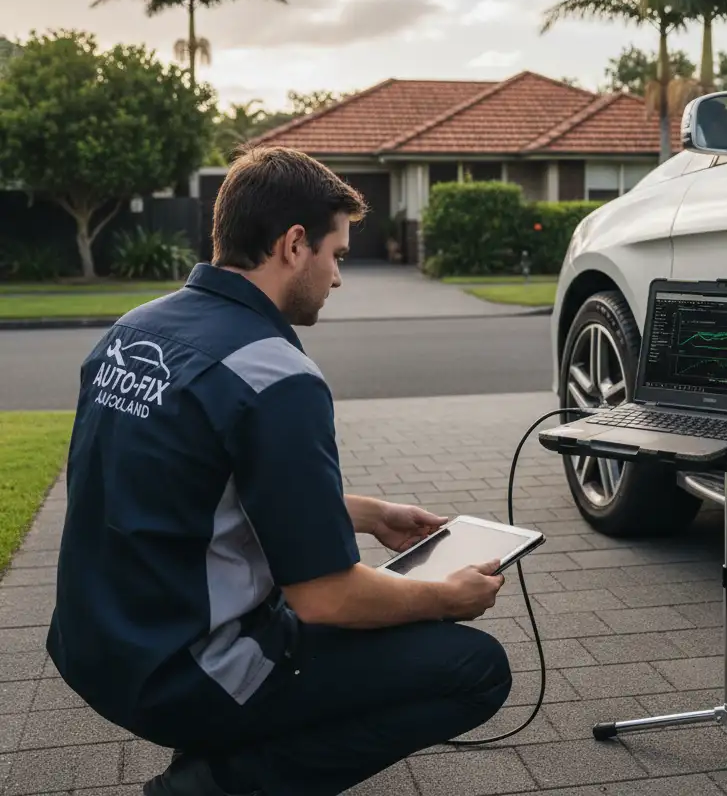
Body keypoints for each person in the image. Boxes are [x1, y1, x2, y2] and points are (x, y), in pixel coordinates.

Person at [47, 144, 512, 796]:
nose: (339, 278)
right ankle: (212, 785)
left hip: (94, 646)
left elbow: (191, 479)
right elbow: (326, 597)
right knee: (476, 667)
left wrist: (370, 514)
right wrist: (447, 597)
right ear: (295, 244)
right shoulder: (274, 373)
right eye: (338, 255)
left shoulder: (134, 331)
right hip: (189, 669)